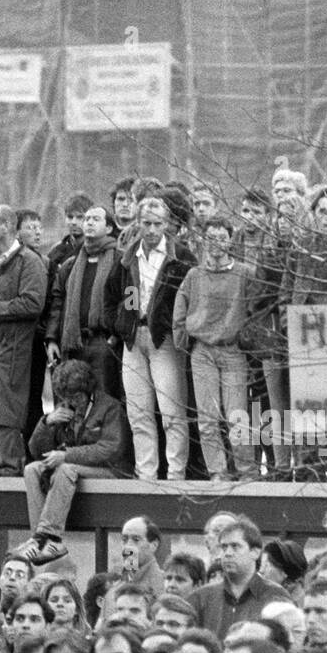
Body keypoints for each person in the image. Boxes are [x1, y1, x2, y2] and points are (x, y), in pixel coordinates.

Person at [103, 197, 197, 481]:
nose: (152, 229)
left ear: (167, 224)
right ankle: (146, 473)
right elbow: (111, 296)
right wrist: (120, 323)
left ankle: (176, 473)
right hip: (133, 338)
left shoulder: (181, 257)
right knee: (138, 412)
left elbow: (192, 296)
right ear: (138, 223)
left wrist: (176, 327)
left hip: (164, 339)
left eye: (158, 224)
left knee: (171, 410)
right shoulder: (127, 256)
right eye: (146, 223)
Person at [14, 360, 128, 566]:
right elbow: (35, 450)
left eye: (76, 397)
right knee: (32, 470)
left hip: (110, 472)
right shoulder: (64, 408)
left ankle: (53, 538)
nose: (73, 403)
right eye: (68, 398)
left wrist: (67, 455)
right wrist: (47, 422)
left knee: (65, 468)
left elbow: (111, 449)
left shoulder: (109, 407)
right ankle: (38, 541)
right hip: (75, 471)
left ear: (88, 390)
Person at [173, 214, 255, 481]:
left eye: (222, 237)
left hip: (233, 351)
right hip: (203, 352)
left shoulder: (244, 273)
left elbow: (257, 310)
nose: (216, 243)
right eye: (211, 238)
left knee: (237, 417)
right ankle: (217, 472)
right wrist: (182, 339)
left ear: (231, 240)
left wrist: (249, 340)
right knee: (208, 419)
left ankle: (247, 472)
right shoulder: (194, 275)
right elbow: (179, 309)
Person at [0, 203, 49, 476]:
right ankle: (4, 460)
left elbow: (33, 303)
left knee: (4, 409)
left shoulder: (30, 262)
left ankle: (12, 464)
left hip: (13, 345)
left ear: (6, 226)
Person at [46, 205, 124, 403]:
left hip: (105, 343)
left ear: (108, 228)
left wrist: (118, 334)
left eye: (96, 219)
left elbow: (131, 299)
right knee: (74, 400)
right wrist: (52, 339)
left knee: (105, 401)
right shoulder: (71, 265)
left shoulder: (120, 261)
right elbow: (57, 303)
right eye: (87, 218)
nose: (88, 222)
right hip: (74, 343)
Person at [187, 516, 291, 639]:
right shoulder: (201, 598)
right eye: (224, 547)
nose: (228, 553)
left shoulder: (276, 596)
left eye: (235, 546)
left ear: (255, 552)